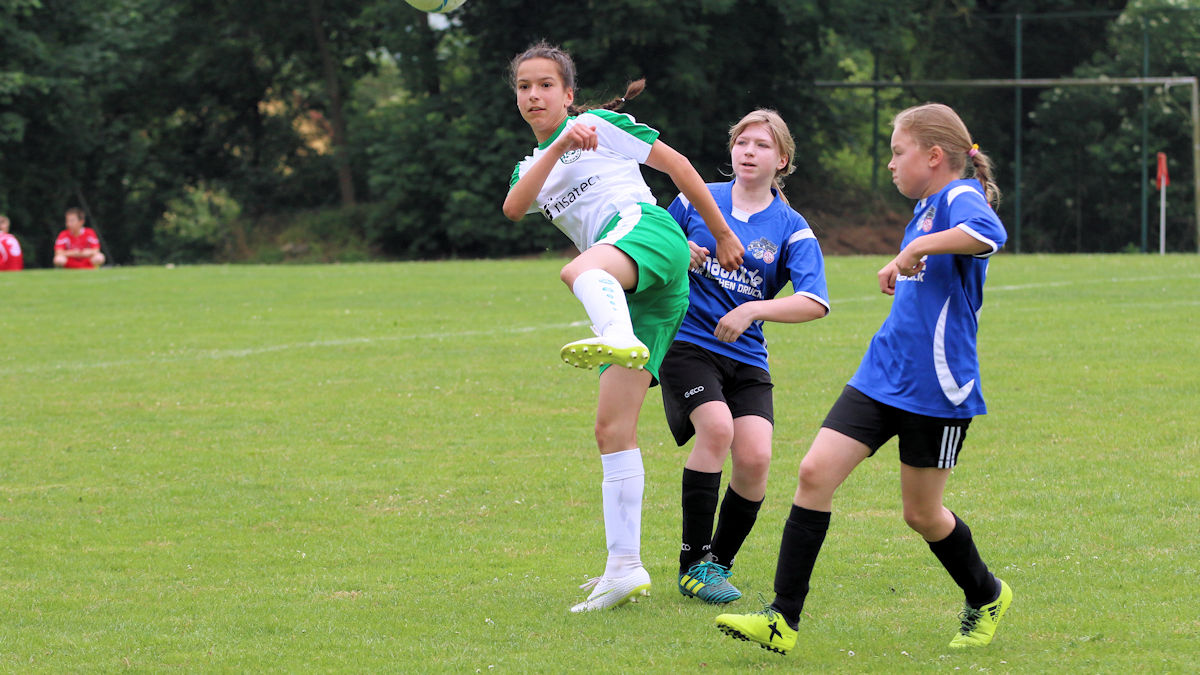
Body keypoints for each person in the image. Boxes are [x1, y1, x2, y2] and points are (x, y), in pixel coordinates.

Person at [714, 102, 1011, 653]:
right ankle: (782, 619)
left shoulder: (958, 197)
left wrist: (915, 248)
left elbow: (990, 233)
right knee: (813, 474)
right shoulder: (924, 209)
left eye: (899, 153)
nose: (892, 164)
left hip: (938, 389)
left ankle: (987, 594)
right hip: (880, 374)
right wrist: (901, 262)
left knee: (922, 514)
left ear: (935, 156)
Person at [502, 41, 745, 613]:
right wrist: (561, 142)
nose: (534, 95)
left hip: (647, 235)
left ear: (568, 93)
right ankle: (624, 569)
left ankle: (616, 335)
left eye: (545, 85)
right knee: (612, 431)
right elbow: (514, 207)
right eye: (523, 87)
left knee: (579, 268)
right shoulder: (533, 164)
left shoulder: (602, 123)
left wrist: (724, 234)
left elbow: (680, 168)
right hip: (634, 289)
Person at [659, 110, 829, 605]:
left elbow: (814, 302)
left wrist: (756, 308)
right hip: (689, 343)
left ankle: (717, 564)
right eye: (741, 142)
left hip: (747, 355)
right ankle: (692, 563)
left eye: (761, 145)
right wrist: (678, 250)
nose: (748, 151)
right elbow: (648, 251)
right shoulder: (696, 198)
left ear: (783, 160)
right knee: (717, 429)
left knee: (755, 457)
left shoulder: (792, 228)